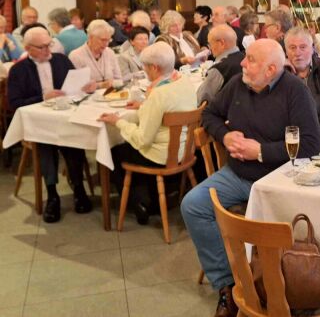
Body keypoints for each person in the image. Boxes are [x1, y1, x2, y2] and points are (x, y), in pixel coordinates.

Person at [181, 38, 320, 317]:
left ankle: (297, 280)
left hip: (278, 179)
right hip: (237, 175)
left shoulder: (295, 92)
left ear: (271, 69)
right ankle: (228, 286)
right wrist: (224, 134)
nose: (243, 63)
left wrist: (261, 152)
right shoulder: (238, 84)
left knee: (301, 222)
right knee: (193, 205)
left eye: (251, 60)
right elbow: (209, 113)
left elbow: (309, 145)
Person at [98, 41, 197, 224]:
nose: (145, 71)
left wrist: (118, 121)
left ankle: (139, 204)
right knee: (131, 146)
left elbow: (143, 139)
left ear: (154, 67)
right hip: (185, 150)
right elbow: (168, 109)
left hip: (163, 156)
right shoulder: (183, 81)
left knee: (115, 151)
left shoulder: (158, 94)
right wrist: (144, 106)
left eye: (145, 67)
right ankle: (150, 199)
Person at [7, 27, 93, 223]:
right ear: (28, 48)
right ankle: (52, 195)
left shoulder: (61, 61)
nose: (48, 50)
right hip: (38, 125)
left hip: (65, 118)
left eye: (49, 44)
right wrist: (42, 97)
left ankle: (78, 187)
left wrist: (85, 87)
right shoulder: (19, 71)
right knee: (45, 144)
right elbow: (14, 103)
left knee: (74, 140)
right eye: (42, 47)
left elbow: (75, 86)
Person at [197, 25, 245, 105]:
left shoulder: (219, 69)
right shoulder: (244, 59)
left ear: (222, 43)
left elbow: (201, 99)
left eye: (210, 44)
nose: (210, 49)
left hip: (222, 114)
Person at [69, 20, 122, 90]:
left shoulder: (110, 53)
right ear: (91, 37)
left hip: (111, 97)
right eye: (103, 40)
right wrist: (100, 85)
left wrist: (114, 83)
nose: (106, 44)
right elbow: (75, 87)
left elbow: (119, 80)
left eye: (108, 40)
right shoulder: (76, 56)